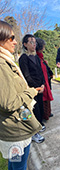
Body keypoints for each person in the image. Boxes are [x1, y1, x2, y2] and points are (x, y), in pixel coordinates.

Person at [0, 20, 42, 170]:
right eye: (12, 38)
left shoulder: (6, 61)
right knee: (19, 166)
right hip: (15, 130)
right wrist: (31, 91)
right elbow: (9, 103)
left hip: (17, 125)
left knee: (15, 164)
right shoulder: (1, 65)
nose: (15, 42)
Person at [19, 34, 46, 143]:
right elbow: (27, 76)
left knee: (39, 108)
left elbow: (40, 72)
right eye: (31, 42)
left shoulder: (35, 57)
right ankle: (34, 133)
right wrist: (37, 87)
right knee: (33, 110)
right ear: (25, 44)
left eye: (35, 42)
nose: (34, 44)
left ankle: (39, 126)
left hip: (40, 87)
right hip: (32, 89)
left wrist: (43, 84)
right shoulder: (23, 58)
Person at [36, 38, 54, 120]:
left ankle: (48, 113)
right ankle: (44, 115)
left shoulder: (40, 57)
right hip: (43, 82)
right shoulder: (37, 57)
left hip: (46, 81)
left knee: (46, 98)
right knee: (44, 99)